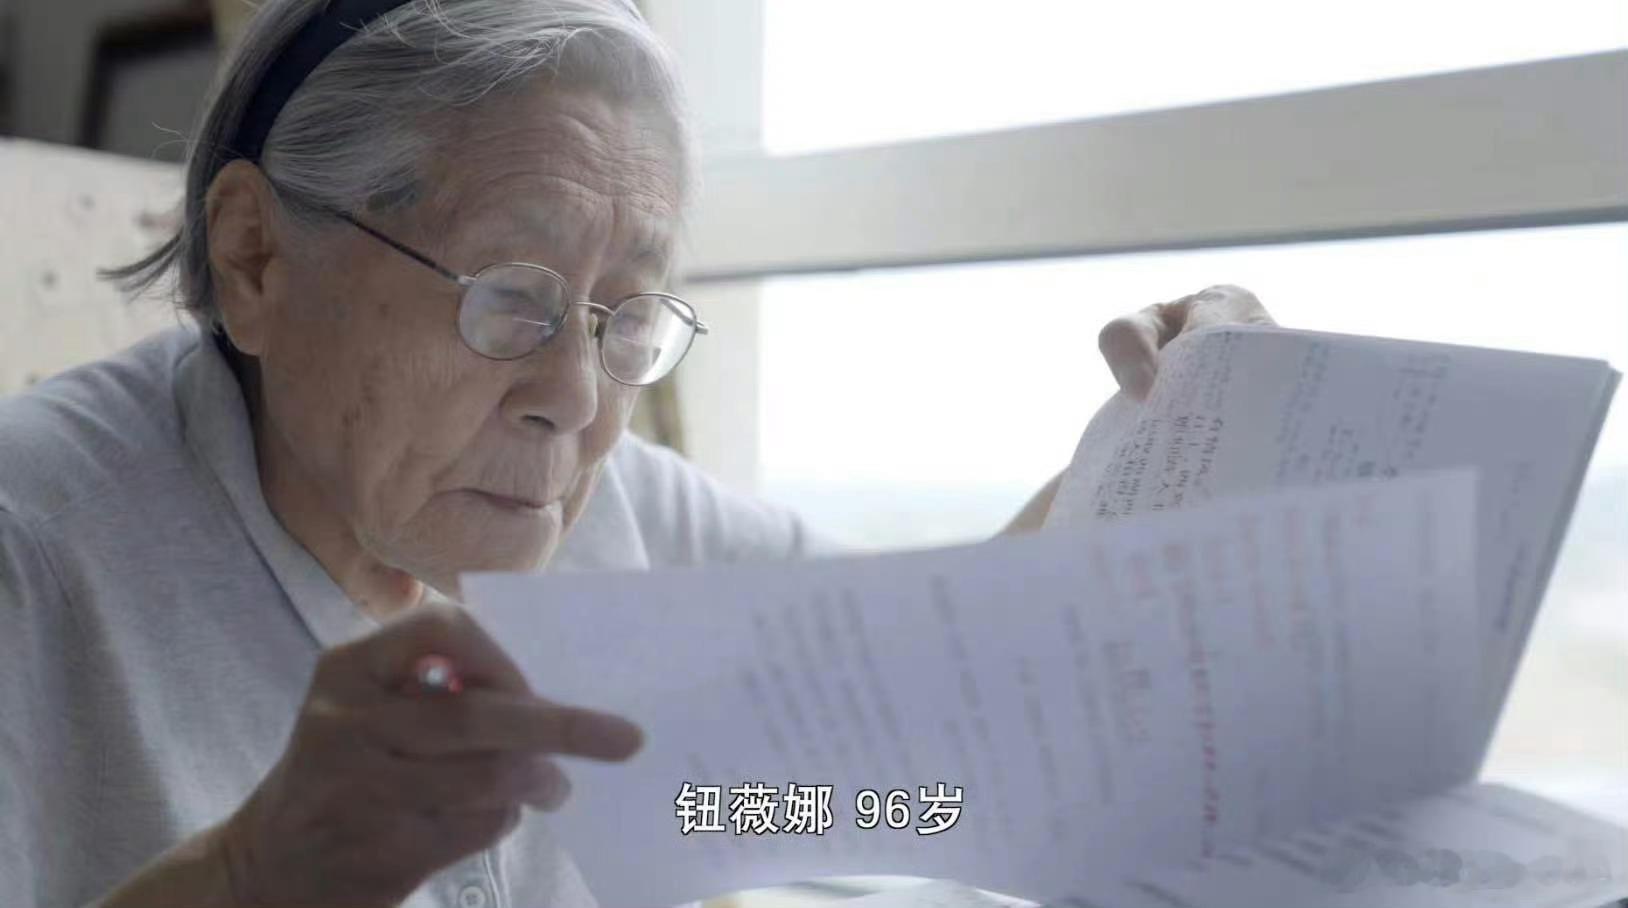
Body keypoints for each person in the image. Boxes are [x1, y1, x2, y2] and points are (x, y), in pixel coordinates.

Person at [0, 1, 1273, 905]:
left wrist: (1182, 431)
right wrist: (248, 874)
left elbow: (946, 665)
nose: (576, 401)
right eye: (507, 296)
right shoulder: (33, 557)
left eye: (624, 317)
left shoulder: (618, 515)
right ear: (255, 258)